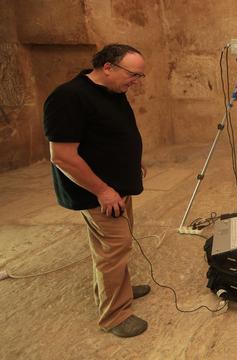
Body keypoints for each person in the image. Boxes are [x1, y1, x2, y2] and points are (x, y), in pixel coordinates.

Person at [43, 44, 150, 337]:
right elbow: (62, 156)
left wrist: (132, 158)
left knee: (118, 245)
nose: (136, 81)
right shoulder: (68, 97)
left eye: (140, 76)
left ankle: (120, 289)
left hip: (118, 185)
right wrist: (102, 191)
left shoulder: (113, 91)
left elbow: (113, 132)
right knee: (113, 250)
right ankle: (115, 315)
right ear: (108, 67)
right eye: (133, 74)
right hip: (99, 193)